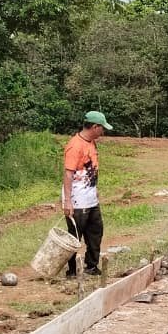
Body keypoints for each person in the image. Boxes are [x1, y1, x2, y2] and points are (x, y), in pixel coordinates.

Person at [61, 111, 111, 278]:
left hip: (91, 198)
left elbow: (91, 169)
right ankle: (72, 271)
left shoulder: (91, 143)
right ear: (95, 127)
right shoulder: (75, 146)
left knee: (96, 231)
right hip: (77, 200)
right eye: (102, 128)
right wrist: (68, 201)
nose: (103, 132)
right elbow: (68, 174)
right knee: (75, 236)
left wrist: (95, 189)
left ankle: (91, 266)